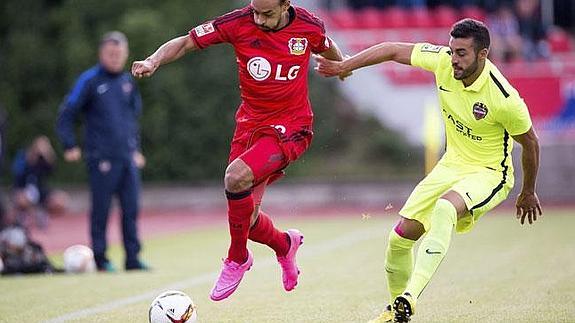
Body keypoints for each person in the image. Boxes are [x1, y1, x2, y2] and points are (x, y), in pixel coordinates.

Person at [315, 18, 542, 322]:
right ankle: (398, 313)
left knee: (445, 209)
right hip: (451, 165)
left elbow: (531, 144)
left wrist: (528, 190)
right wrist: (345, 65)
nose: (454, 59)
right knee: (399, 239)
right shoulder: (443, 63)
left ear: (483, 55)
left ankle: (411, 295)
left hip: (489, 173)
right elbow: (393, 49)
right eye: (451, 51)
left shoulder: (504, 99)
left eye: (462, 53)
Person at [132, 0, 346, 301]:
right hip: (250, 126)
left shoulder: (308, 26)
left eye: (267, 14)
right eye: (255, 11)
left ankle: (237, 257)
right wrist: (154, 60)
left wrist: (343, 67)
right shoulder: (239, 22)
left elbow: (327, 46)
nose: (259, 19)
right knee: (247, 218)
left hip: (291, 127)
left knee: (234, 178)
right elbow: (185, 43)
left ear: (286, 5)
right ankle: (284, 244)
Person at [57, 31, 148, 272]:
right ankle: (101, 259)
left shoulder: (128, 82)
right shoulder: (89, 80)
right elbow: (67, 112)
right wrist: (69, 144)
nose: (116, 58)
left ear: (126, 54)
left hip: (127, 157)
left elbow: (131, 119)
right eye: (111, 53)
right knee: (101, 211)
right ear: (102, 54)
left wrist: (135, 148)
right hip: (102, 159)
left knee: (131, 209)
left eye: (119, 53)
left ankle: (132, 258)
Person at [12, 136, 69, 229]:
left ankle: (41, 213)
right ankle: (29, 215)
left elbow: (52, 170)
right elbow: (17, 174)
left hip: (40, 191)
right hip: (23, 189)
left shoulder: (43, 160)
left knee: (61, 200)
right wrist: (30, 160)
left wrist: (48, 154)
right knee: (22, 199)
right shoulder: (23, 156)